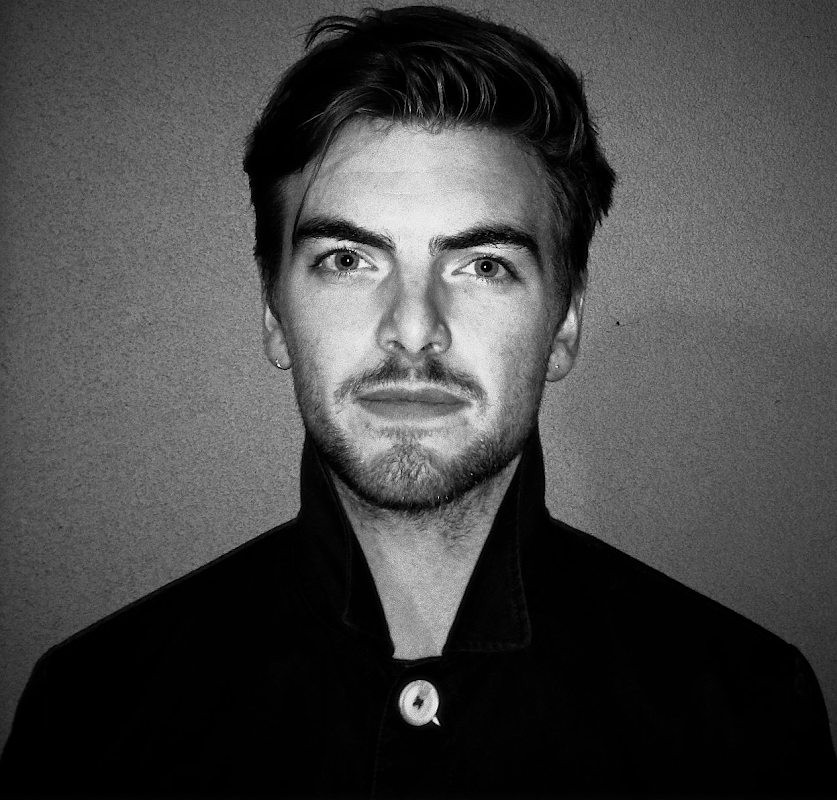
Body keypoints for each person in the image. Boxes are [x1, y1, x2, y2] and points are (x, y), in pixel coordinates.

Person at [1, 5, 835, 797]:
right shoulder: (91, 715)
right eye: (346, 260)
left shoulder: (746, 716)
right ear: (274, 315)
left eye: (482, 265)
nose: (411, 330)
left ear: (564, 325)